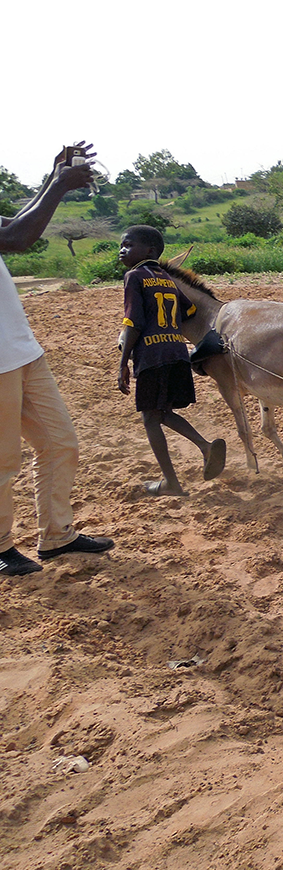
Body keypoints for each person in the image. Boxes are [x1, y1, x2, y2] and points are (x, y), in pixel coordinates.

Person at [1, 143, 114, 577]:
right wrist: (61, 186)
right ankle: (1, 546)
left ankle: (57, 535)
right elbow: (17, 239)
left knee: (60, 442)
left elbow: (11, 225)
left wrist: (53, 179)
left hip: (22, 352)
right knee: (2, 461)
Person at [117, 225, 226, 497]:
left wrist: (123, 363)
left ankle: (171, 483)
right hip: (177, 353)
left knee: (149, 419)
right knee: (162, 413)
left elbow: (133, 323)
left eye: (128, 245)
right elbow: (189, 309)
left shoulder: (134, 276)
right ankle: (205, 446)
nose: (122, 250)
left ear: (150, 250)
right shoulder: (166, 278)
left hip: (152, 356)